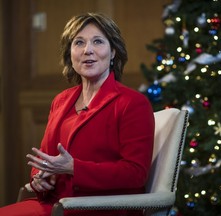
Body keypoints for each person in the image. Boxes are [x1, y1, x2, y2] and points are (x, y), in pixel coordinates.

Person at [0, 12, 155, 216]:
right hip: (56, 206)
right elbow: (46, 159)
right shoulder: (61, 100)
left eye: (97, 42)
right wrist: (40, 179)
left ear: (114, 52)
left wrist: (74, 168)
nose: (87, 50)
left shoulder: (133, 103)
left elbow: (135, 174)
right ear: (70, 54)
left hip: (102, 209)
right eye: (79, 43)